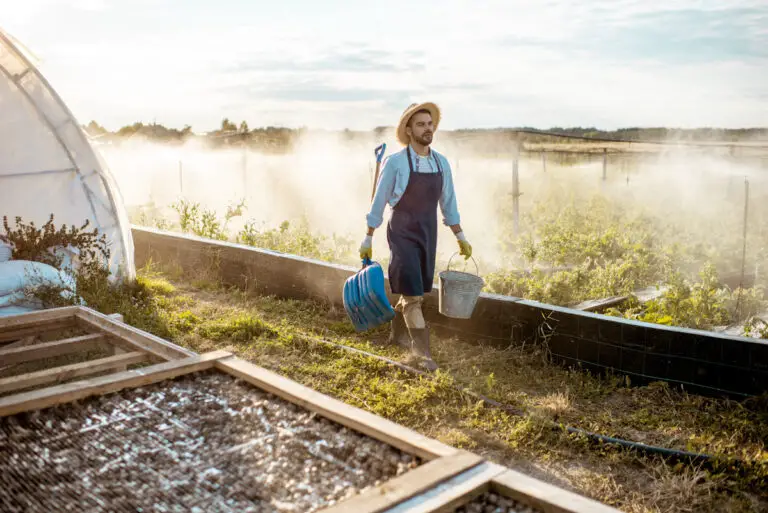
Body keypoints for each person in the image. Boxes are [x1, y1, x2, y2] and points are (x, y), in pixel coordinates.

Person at [360, 102, 471, 371]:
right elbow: (379, 201)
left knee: (418, 291)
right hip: (402, 230)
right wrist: (368, 236)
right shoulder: (396, 162)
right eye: (421, 124)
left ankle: (397, 335)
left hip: (427, 231)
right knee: (413, 297)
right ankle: (422, 355)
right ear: (409, 130)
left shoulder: (441, 162)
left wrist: (460, 235)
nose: (427, 129)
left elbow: (449, 203)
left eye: (430, 124)